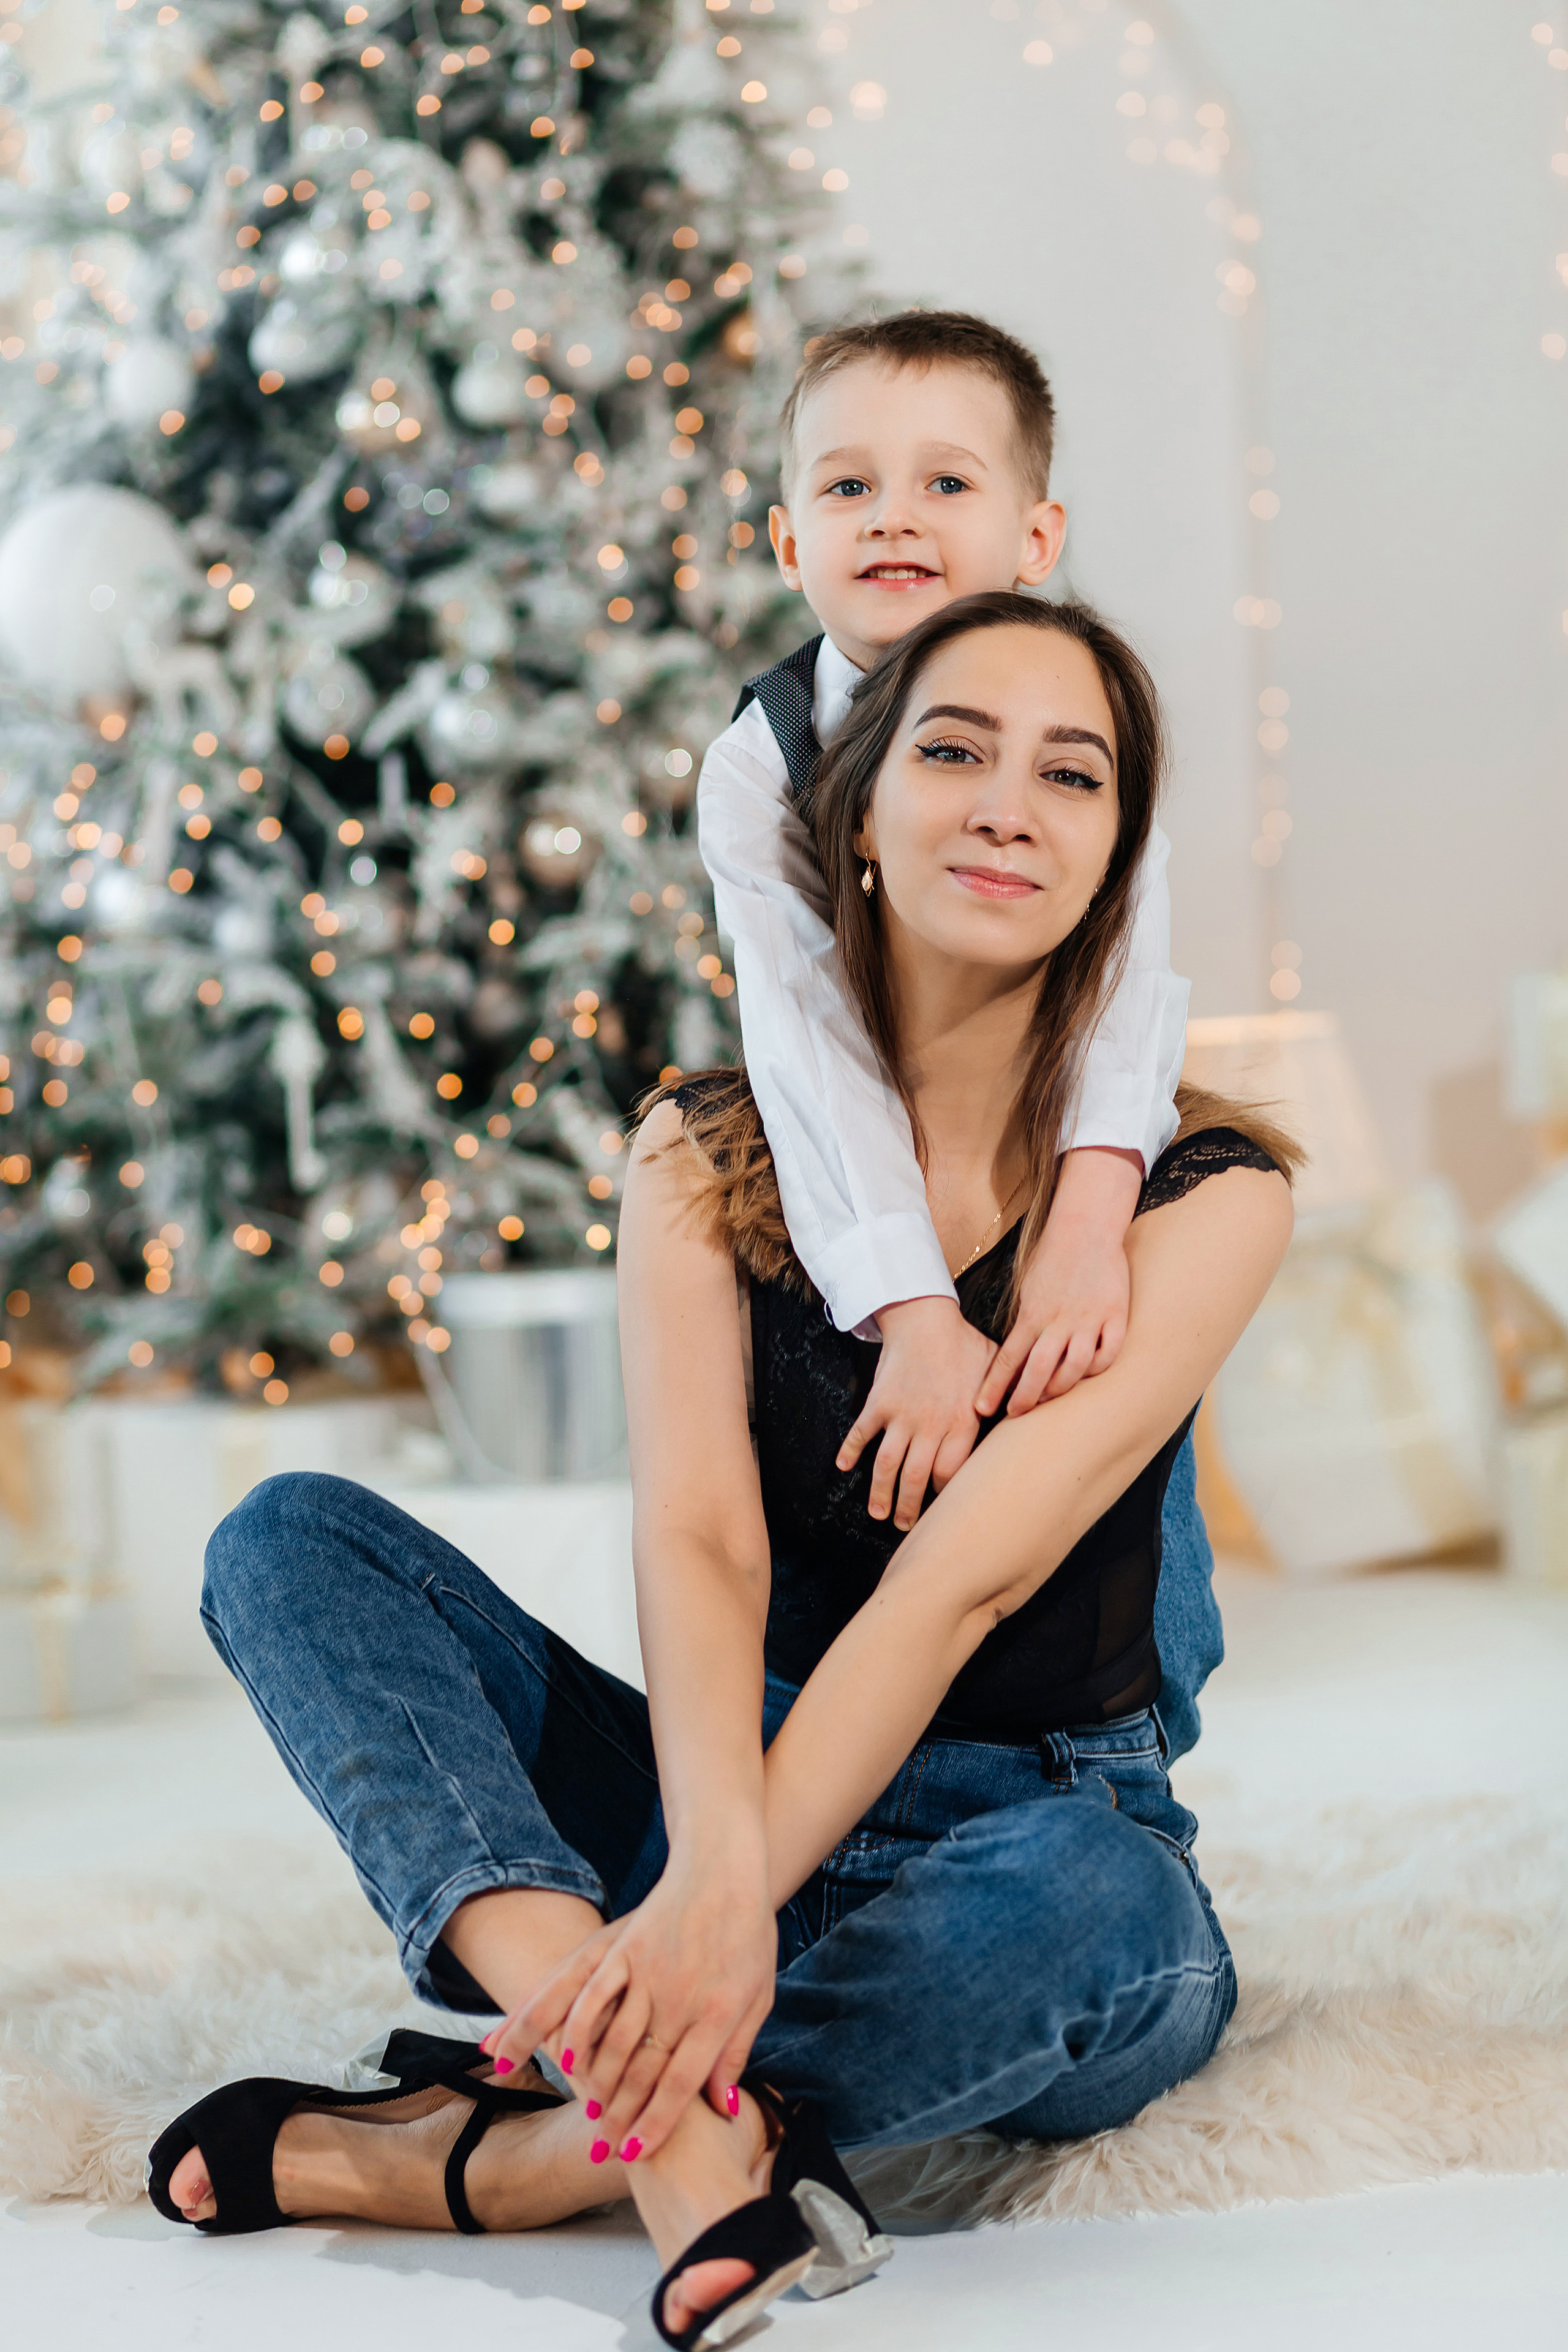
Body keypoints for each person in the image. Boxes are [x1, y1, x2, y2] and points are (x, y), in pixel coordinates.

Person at [149, 592, 1294, 2352]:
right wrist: (706, 1873)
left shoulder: (1208, 1195)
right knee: (291, 1541)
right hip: (724, 1783)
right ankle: (664, 2097)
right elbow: (697, 1540)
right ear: (849, 808)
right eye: (956, 750)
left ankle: (495, 2155)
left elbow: (962, 1577)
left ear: (1119, 858)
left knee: (1108, 1913)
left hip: (1036, 1830)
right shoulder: (701, 1153)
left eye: (1072, 777)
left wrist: (717, 1906)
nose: (1009, 806)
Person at [698, 311, 1221, 1763]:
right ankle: (817, 1754)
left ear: (1033, 533)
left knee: (1094, 1410)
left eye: (944, 484)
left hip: (1050, 1136)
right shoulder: (762, 763)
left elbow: (1126, 976)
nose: (892, 520)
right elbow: (804, 1036)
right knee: (846, 1443)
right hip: (853, 1157)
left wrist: (1089, 1212)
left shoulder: (1082, 712)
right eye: (847, 487)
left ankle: (1122, 1739)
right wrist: (908, 1306)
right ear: (789, 541)